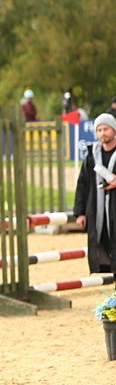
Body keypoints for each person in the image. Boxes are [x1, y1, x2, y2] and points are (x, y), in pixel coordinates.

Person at [73, 113, 116, 273]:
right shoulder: (91, 156)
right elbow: (82, 184)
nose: (102, 133)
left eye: (106, 129)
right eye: (99, 130)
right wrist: (80, 213)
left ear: (114, 130)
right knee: (99, 246)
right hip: (96, 211)